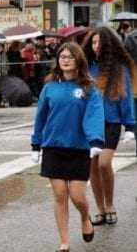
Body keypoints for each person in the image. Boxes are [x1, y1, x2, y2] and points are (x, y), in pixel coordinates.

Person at [31, 42, 104, 252]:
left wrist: (95, 140)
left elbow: (94, 114)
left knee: (78, 196)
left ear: (78, 60)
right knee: (60, 194)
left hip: (79, 148)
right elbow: (41, 117)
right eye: (61, 56)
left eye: (69, 57)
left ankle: (84, 216)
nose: (64, 60)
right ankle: (64, 241)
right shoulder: (49, 88)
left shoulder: (88, 88)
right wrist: (36, 144)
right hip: (54, 146)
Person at [82, 27, 136, 226]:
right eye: (93, 43)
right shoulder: (86, 68)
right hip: (89, 124)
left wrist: (130, 125)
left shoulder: (119, 69)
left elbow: (126, 97)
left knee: (104, 163)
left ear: (109, 45)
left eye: (100, 43)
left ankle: (111, 204)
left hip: (111, 123)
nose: (96, 47)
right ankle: (101, 210)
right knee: (92, 168)